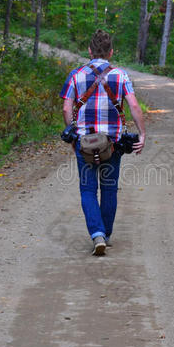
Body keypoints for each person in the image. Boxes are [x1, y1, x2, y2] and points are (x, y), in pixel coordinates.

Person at [60, 29, 146, 256]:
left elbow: (67, 107)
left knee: (88, 190)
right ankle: (105, 235)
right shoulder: (121, 75)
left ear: (89, 51)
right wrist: (142, 134)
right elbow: (135, 106)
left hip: (85, 142)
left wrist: (73, 132)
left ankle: (96, 234)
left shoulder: (76, 74)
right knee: (109, 189)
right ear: (111, 52)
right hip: (112, 144)